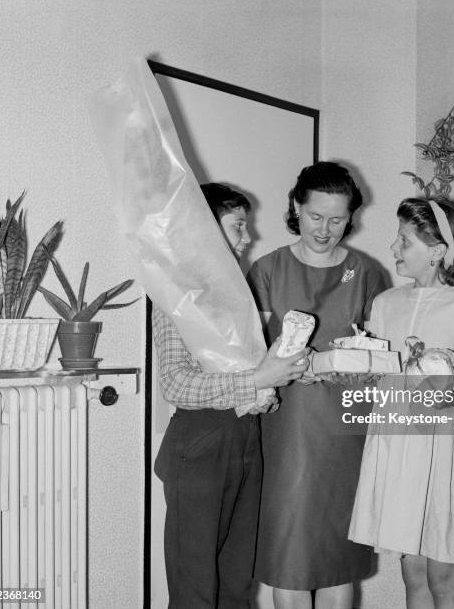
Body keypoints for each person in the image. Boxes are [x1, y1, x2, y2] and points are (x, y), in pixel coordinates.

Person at [153, 182, 310, 609]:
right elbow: (176, 383)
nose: (247, 237)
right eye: (238, 226)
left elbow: (252, 374)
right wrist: (259, 380)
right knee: (196, 592)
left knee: (237, 584)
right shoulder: (176, 293)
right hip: (199, 444)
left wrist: (270, 387)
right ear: (204, 228)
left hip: (245, 440)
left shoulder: (235, 294)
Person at [247, 162, 387, 609]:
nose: (326, 229)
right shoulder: (266, 271)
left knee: (337, 555)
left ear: (351, 217)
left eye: (338, 219)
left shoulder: (367, 273)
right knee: (288, 552)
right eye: (315, 216)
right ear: (296, 207)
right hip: (285, 430)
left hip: (347, 432)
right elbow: (253, 358)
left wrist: (346, 365)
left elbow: (383, 358)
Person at [348, 198, 454, 608]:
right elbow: (376, 373)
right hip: (397, 443)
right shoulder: (384, 305)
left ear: (437, 251)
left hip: (442, 444)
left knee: (444, 573)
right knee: (412, 571)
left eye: (403, 240)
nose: (394, 248)